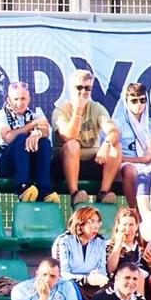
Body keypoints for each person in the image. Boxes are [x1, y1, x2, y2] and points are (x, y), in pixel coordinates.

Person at [53, 69, 121, 203]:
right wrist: (78, 111)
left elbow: (114, 131)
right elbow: (68, 137)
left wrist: (106, 144)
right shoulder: (61, 110)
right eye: (79, 87)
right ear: (70, 89)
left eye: (87, 88)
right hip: (65, 163)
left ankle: (103, 193)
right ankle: (74, 194)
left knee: (116, 146)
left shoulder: (97, 108)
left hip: (92, 160)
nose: (83, 92)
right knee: (73, 145)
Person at [0, 80, 54, 201]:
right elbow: (8, 137)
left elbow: (46, 130)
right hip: (5, 166)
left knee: (44, 143)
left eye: (23, 99)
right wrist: (32, 126)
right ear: (8, 100)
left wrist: (37, 134)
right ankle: (22, 187)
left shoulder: (34, 115)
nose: (19, 103)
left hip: (29, 164)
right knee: (21, 138)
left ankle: (45, 190)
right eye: (16, 99)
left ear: (29, 99)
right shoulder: (0, 116)